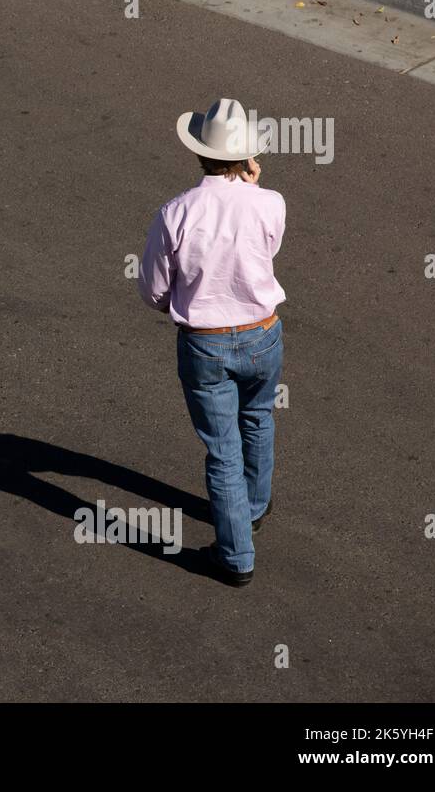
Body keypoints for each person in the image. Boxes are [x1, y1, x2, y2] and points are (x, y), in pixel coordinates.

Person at [138, 98, 286, 587]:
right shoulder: (271, 202)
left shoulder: (176, 212)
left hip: (205, 342)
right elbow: (266, 247)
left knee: (222, 451)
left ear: (200, 152)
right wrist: (254, 186)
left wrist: (175, 306)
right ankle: (254, 507)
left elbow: (153, 290)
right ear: (246, 157)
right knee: (259, 418)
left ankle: (237, 556)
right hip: (264, 333)